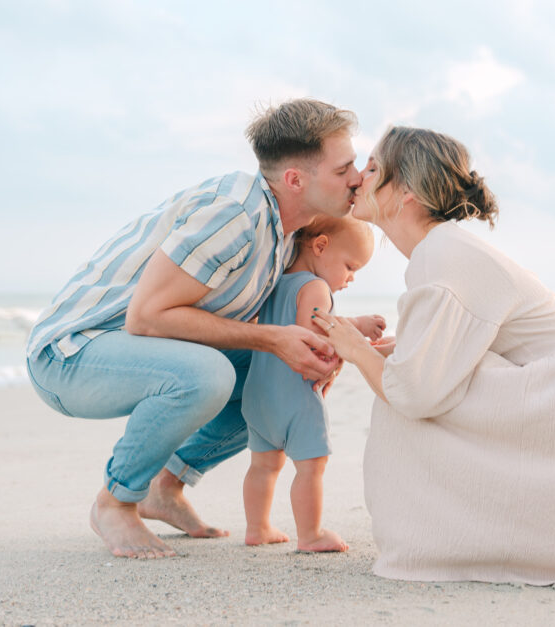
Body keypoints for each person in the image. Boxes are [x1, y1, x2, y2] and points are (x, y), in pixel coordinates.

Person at [313, 126, 555, 589]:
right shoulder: (443, 249)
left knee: (402, 396)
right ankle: (468, 541)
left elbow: (413, 391)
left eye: (374, 168)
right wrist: (391, 349)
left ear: (407, 195)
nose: (358, 176)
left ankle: (436, 545)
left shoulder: (440, 257)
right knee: (410, 375)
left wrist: (355, 349)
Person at [25, 98, 362, 560]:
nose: (358, 179)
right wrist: (273, 340)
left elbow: (279, 326)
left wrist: (323, 346)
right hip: (70, 355)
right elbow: (146, 317)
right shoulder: (235, 214)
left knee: (279, 378)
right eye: (344, 170)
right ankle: (116, 501)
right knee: (210, 375)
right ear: (296, 180)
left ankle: (164, 487)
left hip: (130, 349)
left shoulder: (284, 233)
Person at [241, 216, 385, 552]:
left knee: (263, 465)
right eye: (350, 266)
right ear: (320, 246)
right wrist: (358, 327)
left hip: (259, 394)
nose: (350, 278)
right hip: (295, 396)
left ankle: (257, 527)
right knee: (312, 466)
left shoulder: (276, 282)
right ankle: (310, 535)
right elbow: (315, 332)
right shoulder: (315, 287)